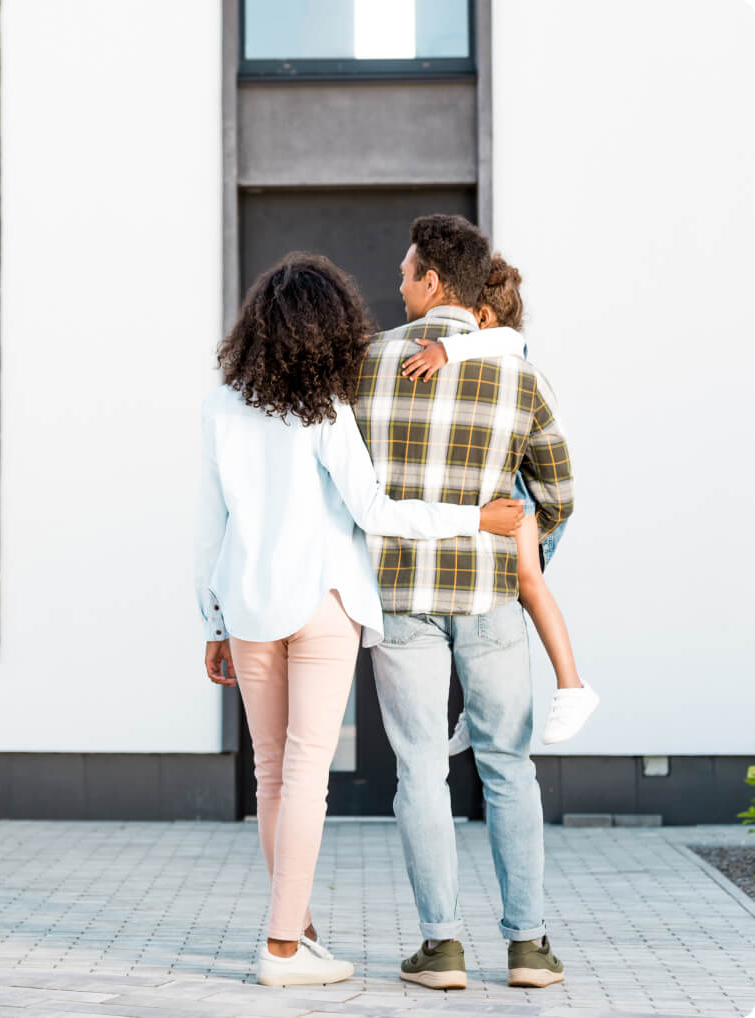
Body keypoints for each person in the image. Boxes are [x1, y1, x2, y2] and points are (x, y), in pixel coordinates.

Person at [194, 253, 526, 988]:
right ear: (329, 330)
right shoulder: (325, 410)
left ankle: (298, 929)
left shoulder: (222, 406)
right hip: (322, 602)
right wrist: (474, 516)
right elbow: (375, 512)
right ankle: (283, 948)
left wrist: (213, 619)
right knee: (306, 775)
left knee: (271, 775)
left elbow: (207, 528)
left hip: (246, 607)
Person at [354, 215, 574, 991]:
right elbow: (558, 490)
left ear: (434, 283)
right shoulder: (522, 375)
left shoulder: (367, 365)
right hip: (488, 596)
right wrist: (529, 560)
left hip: (400, 596)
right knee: (509, 766)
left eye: (408, 272)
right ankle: (528, 948)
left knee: (419, 770)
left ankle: (441, 948)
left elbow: (343, 487)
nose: (399, 284)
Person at [400, 255, 600, 748]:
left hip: (520, 496)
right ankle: (479, 705)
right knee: (507, 602)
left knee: (527, 585)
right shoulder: (493, 356)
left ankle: (572, 686)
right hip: (511, 496)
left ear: (482, 318)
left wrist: (446, 350)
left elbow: (505, 340)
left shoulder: (503, 351)